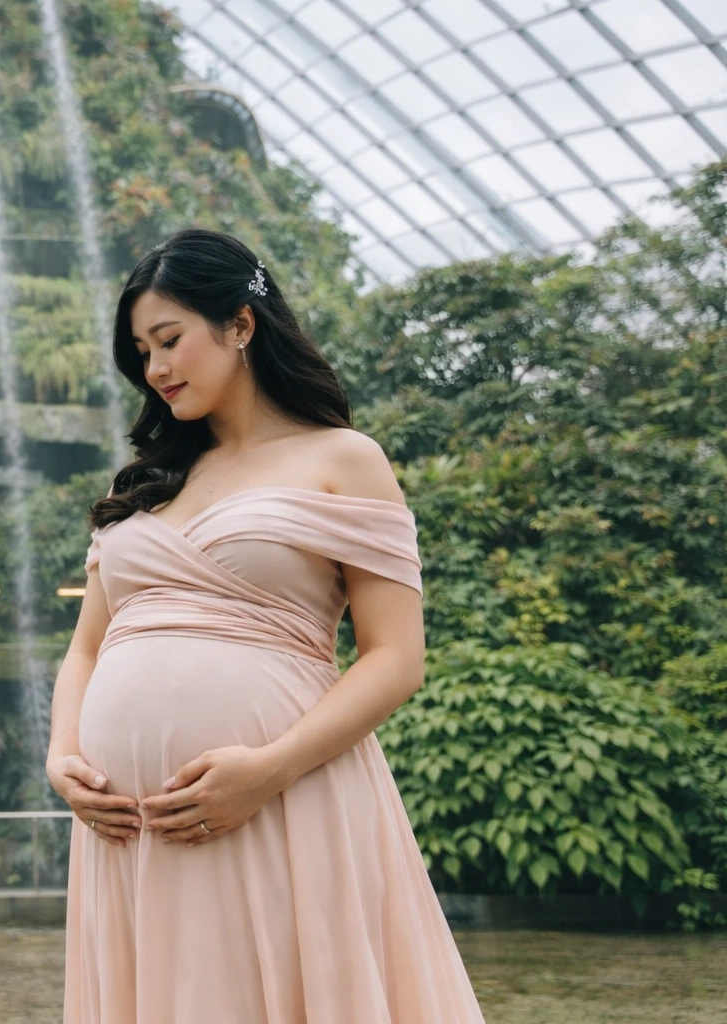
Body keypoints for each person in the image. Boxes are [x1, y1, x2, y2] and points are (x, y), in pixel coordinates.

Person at [47, 229, 485, 1022]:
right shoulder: (144, 485)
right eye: (142, 352)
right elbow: (85, 651)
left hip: (280, 800)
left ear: (241, 325)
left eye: (170, 340)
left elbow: (396, 659)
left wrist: (269, 770)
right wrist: (62, 755)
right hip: (126, 830)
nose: (156, 370)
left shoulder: (345, 459)